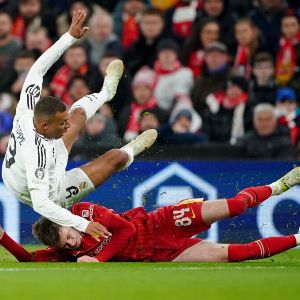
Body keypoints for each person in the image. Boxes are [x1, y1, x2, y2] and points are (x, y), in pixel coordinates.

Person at [1, 10, 157, 242]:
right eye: (61, 124)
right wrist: (84, 224)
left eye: (65, 121)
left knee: (79, 113)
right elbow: (42, 204)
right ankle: (131, 151)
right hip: (49, 191)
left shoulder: (27, 109)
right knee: (115, 157)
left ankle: (106, 92)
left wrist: (69, 38)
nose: (67, 126)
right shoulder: (38, 157)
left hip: (38, 154)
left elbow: (37, 70)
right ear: (44, 125)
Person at [1, 167, 300, 262]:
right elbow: (28, 260)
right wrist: (2, 237)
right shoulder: (68, 253)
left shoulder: (82, 211)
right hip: (160, 253)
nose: (73, 244)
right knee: (236, 253)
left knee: (236, 206)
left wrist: (99, 260)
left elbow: (126, 231)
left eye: (69, 236)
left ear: (67, 223)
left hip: (160, 222)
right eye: (67, 246)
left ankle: (277, 185)